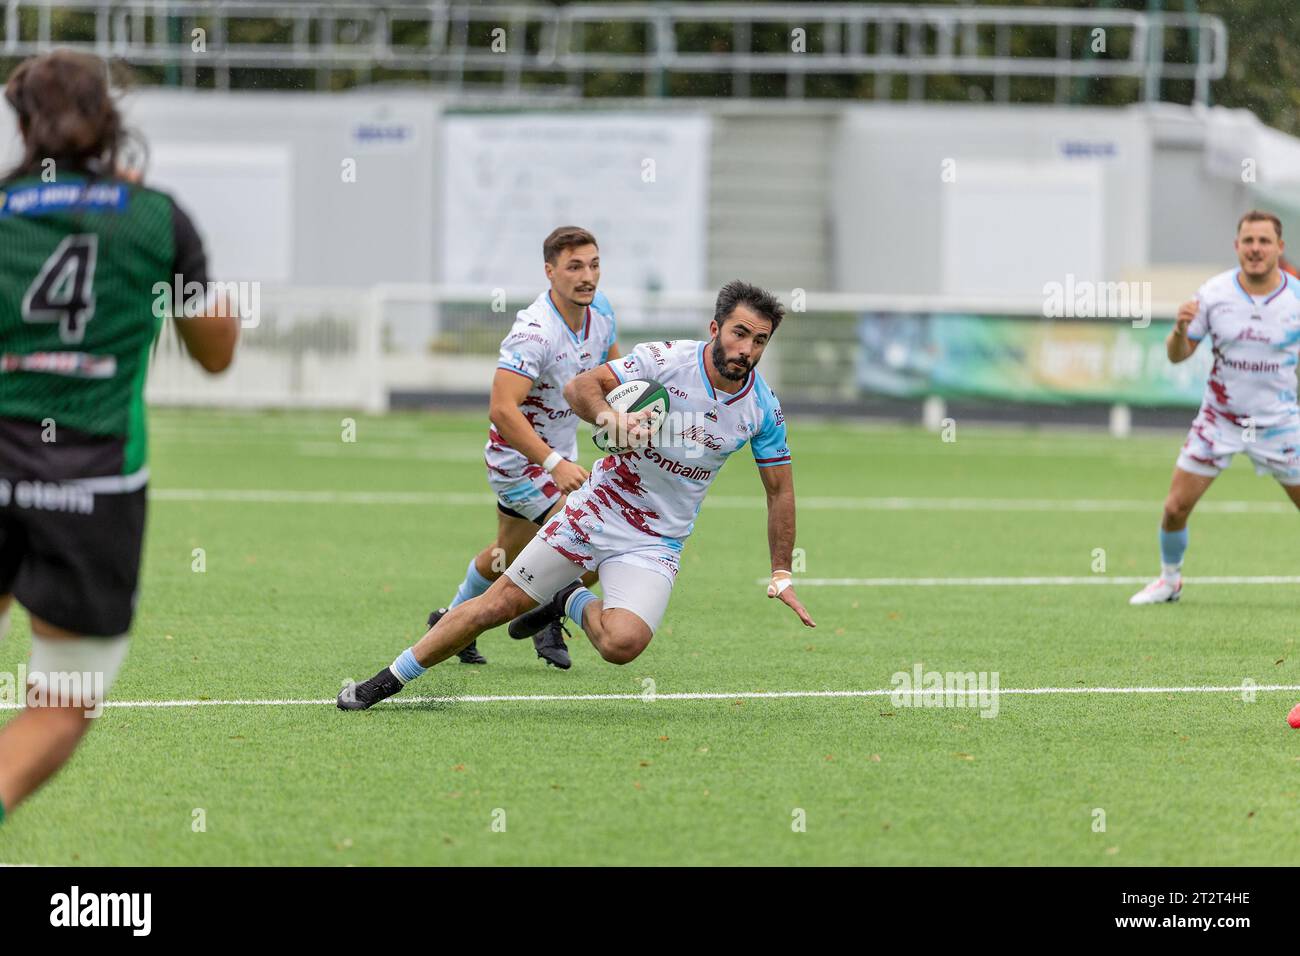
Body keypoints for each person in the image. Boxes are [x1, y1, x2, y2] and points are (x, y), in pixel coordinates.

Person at [339, 280, 814, 711]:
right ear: (715, 327)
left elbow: (780, 492)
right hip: (594, 511)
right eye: (739, 333)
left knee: (622, 645)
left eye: (759, 340)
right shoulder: (665, 360)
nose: (746, 349)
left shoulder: (761, 409)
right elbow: (580, 386)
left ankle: (566, 597)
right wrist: (612, 419)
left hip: (655, 541)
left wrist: (780, 571)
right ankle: (382, 683)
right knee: (497, 606)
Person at [0, 51, 238, 822]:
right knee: (61, 703)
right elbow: (215, 354)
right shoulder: (157, 218)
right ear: (109, 116)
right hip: (94, 487)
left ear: (22, 122)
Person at [430, 226, 618, 668]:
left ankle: (448, 623)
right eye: (574, 267)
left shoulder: (603, 314)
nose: (587, 276)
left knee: (505, 556)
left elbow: (609, 378)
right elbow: (501, 409)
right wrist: (553, 463)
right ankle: (551, 609)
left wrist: (622, 419)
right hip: (518, 463)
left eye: (593, 264)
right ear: (550, 272)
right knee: (586, 542)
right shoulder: (534, 333)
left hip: (561, 456)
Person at [1130, 210, 1300, 604]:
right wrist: (1177, 331)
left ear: (1280, 247)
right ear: (1237, 246)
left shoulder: (1295, 298)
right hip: (1219, 421)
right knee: (1175, 508)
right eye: (1248, 241)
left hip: (1278, 424)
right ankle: (1169, 580)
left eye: (1264, 241)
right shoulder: (1213, 294)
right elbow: (1177, 355)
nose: (1255, 249)